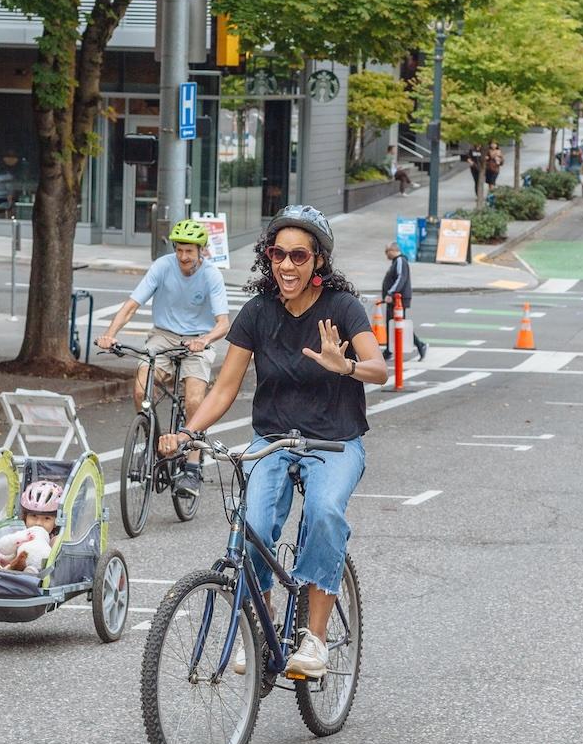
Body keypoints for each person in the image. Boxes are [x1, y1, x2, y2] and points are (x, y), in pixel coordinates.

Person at [159, 205, 383, 679]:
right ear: (268, 257)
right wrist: (188, 432)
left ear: (318, 260)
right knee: (254, 526)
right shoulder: (257, 313)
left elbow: (379, 370)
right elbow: (223, 388)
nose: (287, 265)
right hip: (273, 440)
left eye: (299, 255)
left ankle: (316, 641)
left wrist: (345, 367)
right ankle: (259, 628)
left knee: (323, 514)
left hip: (335, 442)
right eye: (278, 253)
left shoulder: (342, 308)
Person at [97, 219, 230, 495]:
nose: (183, 257)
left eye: (189, 251)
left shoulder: (211, 276)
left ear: (201, 251)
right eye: (180, 250)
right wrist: (110, 333)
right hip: (162, 335)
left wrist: (203, 341)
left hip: (197, 340)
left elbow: (223, 323)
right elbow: (133, 305)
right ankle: (157, 441)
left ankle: (192, 466)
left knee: (195, 399)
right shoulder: (162, 266)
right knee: (140, 387)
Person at [0, 478, 64, 573]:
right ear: (25, 517)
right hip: (5, 565)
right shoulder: (19, 531)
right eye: (33, 516)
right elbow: (4, 548)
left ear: (56, 521)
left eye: (47, 518)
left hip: (35, 573)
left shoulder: (54, 540)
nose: (38, 523)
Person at [380, 241, 428, 364]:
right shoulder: (397, 262)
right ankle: (389, 351)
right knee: (394, 324)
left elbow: (401, 278)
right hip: (395, 299)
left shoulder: (400, 261)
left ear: (392, 250)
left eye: (387, 252)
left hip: (397, 300)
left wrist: (390, 293)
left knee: (399, 324)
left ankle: (420, 345)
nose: (386, 255)